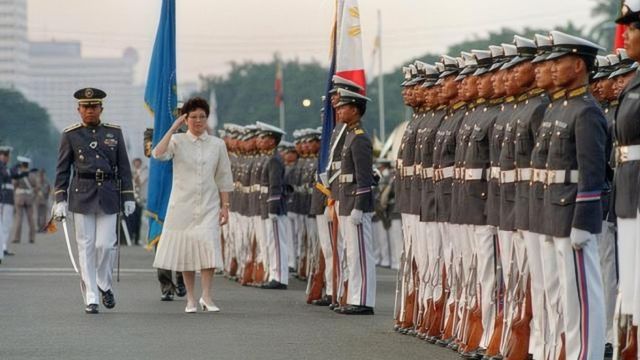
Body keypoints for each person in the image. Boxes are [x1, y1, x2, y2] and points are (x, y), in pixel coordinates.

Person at [53, 87, 136, 314]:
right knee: (86, 246)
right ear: (78, 109)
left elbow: (124, 168)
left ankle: (103, 283)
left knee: (106, 245)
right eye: (85, 107)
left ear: (101, 108)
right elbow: (62, 170)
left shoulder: (114, 133)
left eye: (94, 106)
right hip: (82, 193)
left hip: (109, 192)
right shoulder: (70, 135)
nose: (90, 111)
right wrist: (60, 198)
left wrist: (128, 195)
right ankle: (91, 295)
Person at [152, 97, 234, 313]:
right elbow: (158, 154)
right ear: (186, 119)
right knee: (187, 252)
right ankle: (190, 298)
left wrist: (225, 206)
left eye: (202, 117)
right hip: (182, 206)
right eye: (193, 117)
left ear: (207, 118)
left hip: (208, 204)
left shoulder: (218, 144)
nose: (198, 121)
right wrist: (172, 128)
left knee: (208, 247)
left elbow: (224, 177)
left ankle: (206, 296)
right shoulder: (178, 141)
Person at [334, 88, 376, 315]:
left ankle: (364, 300)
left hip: (356, 204)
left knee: (360, 253)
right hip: (347, 200)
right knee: (352, 253)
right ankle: (355, 297)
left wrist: (359, 206)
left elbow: (364, 177)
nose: (339, 110)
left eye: (343, 107)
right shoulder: (349, 135)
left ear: (355, 110)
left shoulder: (359, 138)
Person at [614, 2, 640, 355]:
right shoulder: (634, 79)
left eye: (631, 29)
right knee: (632, 280)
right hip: (628, 187)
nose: (625, 36)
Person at [255, 121, 289, 290]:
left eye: (263, 138)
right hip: (266, 206)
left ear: (271, 141)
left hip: (273, 207)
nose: (259, 141)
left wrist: (273, 208)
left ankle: (280, 277)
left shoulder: (275, 160)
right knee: (270, 243)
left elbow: (275, 186)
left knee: (277, 243)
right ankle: (273, 274)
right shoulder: (270, 158)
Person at [10, 156, 38, 244]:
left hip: (19, 198)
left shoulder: (18, 174)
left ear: (21, 165)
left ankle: (16, 238)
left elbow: (14, 185)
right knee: (31, 219)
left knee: (18, 218)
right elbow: (36, 187)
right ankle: (32, 238)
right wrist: (32, 196)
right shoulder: (32, 175)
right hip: (29, 198)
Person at [0, 146, 16, 262]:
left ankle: (3, 247)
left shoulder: (4, 167)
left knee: (6, 224)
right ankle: (3, 248)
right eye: (6, 156)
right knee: (4, 224)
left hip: (7, 198)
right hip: (5, 199)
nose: (7, 158)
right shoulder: (2, 167)